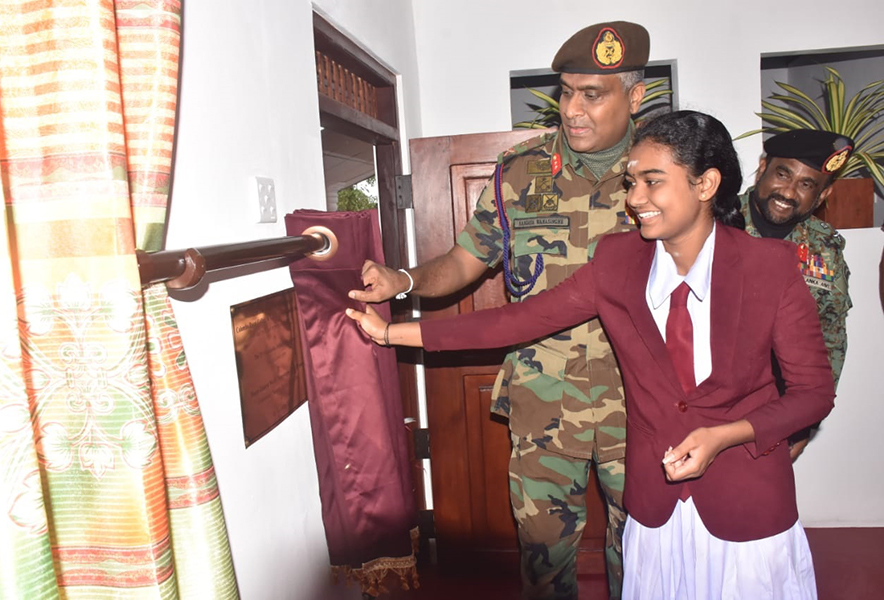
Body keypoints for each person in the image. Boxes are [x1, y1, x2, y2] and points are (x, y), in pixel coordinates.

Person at [348, 110, 835, 599]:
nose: (634, 199)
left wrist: (726, 436)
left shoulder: (770, 269)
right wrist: (392, 335)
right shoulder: (619, 261)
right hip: (657, 506)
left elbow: (814, 393)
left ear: (705, 184)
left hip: (746, 501)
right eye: (631, 181)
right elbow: (514, 321)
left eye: (651, 182)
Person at [349, 20, 650, 599]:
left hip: (639, 400)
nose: (573, 109)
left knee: (640, 547)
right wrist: (403, 279)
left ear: (634, 97)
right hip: (544, 401)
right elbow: (467, 260)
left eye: (594, 94)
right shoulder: (522, 170)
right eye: (566, 91)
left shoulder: (664, 169)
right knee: (542, 555)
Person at [739, 130, 852, 460]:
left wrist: (805, 422)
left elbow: (830, 337)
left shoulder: (824, 248)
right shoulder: (712, 225)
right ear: (763, 169)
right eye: (783, 174)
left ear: (822, 195)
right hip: (708, 408)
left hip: (780, 412)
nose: (788, 192)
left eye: (806, 184)